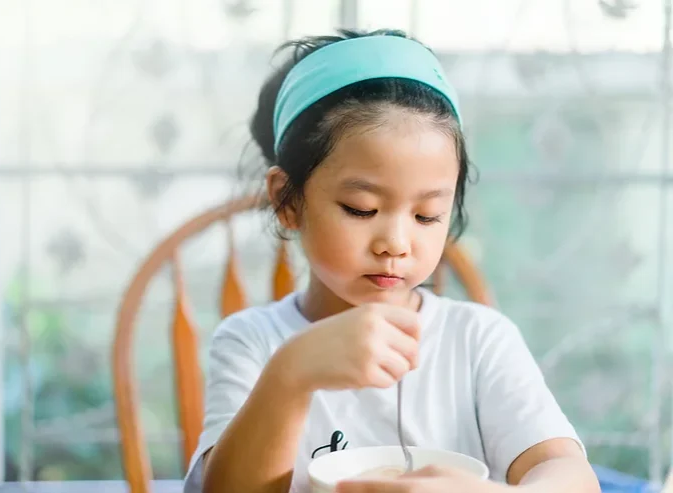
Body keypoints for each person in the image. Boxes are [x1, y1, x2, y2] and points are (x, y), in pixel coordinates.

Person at [183, 29, 600, 493]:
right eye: (361, 209)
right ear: (288, 201)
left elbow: (570, 477)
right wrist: (290, 375)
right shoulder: (252, 343)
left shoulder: (478, 340)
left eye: (427, 215)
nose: (395, 244)